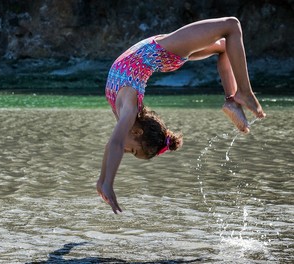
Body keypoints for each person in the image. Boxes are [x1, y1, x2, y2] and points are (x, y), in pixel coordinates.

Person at [96, 17, 266, 214]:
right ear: (138, 132)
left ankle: (236, 97)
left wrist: (103, 181)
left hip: (161, 52)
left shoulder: (126, 114)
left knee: (227, 38)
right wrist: (107, 182)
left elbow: (112, 145)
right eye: (132, 151)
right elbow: (115, 145)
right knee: (231, 27)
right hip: (163, 51)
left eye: (131, 152)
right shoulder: (129, 110)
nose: (125, 152)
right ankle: (238, 95)